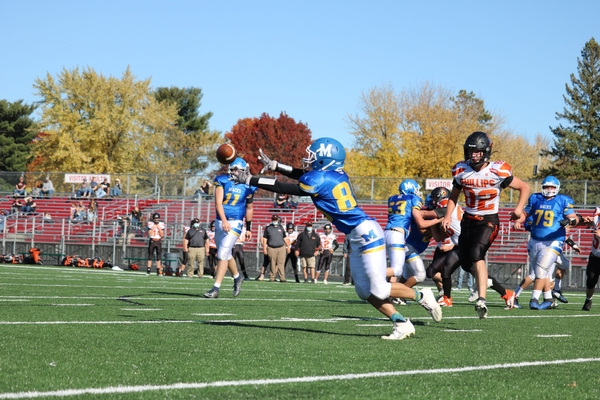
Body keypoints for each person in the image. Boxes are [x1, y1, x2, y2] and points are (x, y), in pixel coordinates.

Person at [232, 137, 442, 340]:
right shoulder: (332, 174)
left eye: (314, 157)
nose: (310, 160)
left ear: (325, 159)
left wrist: (250, 180)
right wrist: (277, 165)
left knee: (378, 287)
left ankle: (422, 296)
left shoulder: (320, 179)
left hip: (365, 232)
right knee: (362, 290)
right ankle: (401, 323)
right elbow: (303, 175)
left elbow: (287, 187)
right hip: (356, 234)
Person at [442, 131, 529, 319]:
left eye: (478, 152)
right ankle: (503, 292)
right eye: (471, 151)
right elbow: (454, 196)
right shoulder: (461, 170)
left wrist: (518, 209)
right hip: (468, 220)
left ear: (486, 152)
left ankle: (481, 299)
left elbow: (525, 187)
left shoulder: (498, 170)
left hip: (488, 220)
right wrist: (448, 215)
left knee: (476, 255)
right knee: (466, 264)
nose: (473, 155)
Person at [512, 176, 579, 309]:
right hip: (535, 240)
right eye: (547, 187)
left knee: (541, 269)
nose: (549, 189)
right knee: (541, 272)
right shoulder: (535, 198)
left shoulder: (563, 200)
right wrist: (518, 221)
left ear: (557, 188)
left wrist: (569, 221)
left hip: (554, 240)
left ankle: (534, 300)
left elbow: (575, 219)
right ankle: (548, 298)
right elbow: (526, 213)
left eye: (552, 187)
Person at [204, 158, 257, 298]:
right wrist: (224, 220)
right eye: (233, 169)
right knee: (226, 254)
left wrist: (249, 227)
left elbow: (250, 208)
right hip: (221, 221)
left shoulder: (249, 185)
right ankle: (237, 277)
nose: (235, 172)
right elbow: (218, 203)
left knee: (222, 254)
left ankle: (216, 288)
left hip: (236, 222)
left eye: (237, 170)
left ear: (243, 171)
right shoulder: (222, 180)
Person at [384, 179, 440, 287]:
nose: (418, 192)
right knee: (397, 270)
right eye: (416, 189)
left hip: (386, 232)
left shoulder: (392, 198)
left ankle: (388, 294)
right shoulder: (413, 198)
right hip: (397, 234)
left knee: (396, 270)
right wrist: (439, 220)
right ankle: (372, 275)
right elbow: (420, 222)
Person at [580, 210, 600, 311]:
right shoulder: (597, 216)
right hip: (595, 256)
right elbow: (587, 222)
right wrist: (582, 219)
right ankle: (588, 300)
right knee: (591, 279)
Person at [262, 214, 289, 282]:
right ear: (272, 220)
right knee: (272, 263)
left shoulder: (281, 227)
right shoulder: (268, 228)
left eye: (276, 220)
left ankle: (282, 278)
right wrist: (264, 248)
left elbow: (285, 238)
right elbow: (265, 239)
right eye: (274, 220)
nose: (275, 221)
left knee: (281, 263)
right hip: (271, 248)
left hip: (281, 247)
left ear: (278, 220)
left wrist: (287, 246)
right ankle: (272, 277)